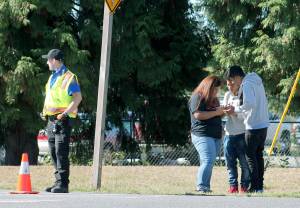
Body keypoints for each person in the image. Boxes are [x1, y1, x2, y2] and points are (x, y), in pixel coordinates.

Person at [41, 49, 82, 193]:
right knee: (53, 152)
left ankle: (63, 184)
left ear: (55, 60)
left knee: (61, 152)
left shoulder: (69, 77)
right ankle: (58, 181)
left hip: (63, 120)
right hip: (51, 120)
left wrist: (65, 114)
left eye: (48, 60)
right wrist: (44, 112)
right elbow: (51, 98)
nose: (47, 62)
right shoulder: (52, 77)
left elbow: (78, 98)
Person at [224, 66, 269, 193]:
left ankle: (255, 187)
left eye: (232, 80)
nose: (233, 83)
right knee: (258, 156)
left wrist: (235, 110)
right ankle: (259, 186)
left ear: (237, 76)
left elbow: (250, 103)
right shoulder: (256, 81)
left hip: (253, 125)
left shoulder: (247, 83)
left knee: (250, 157)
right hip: (263, 124)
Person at [188, 75, 225, 193]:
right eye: (214, 89)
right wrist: (216, 112)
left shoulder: (214, 100)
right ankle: (202, 186)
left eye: (217, 89)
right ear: (208, 87)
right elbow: (198, 115)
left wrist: (224, 111)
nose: (216, 92)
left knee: (209, 161)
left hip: (215, 135)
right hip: (202, 134)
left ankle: (206, 187)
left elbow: (217, 114)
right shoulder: (197, 97)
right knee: (208, 160)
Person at [223, 75, 250, 193]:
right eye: (228, 84)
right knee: (230, 163)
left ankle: (244, 186)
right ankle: (233, 186)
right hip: (229, 134)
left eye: (232, 84)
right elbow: (224, 112)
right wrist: (225, 111)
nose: (229, 87)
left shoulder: (244, 95)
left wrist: (234, 112)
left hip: (242, 134)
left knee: (244, 163)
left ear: (238, 83)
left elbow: (246, 115)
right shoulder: (227, 95)